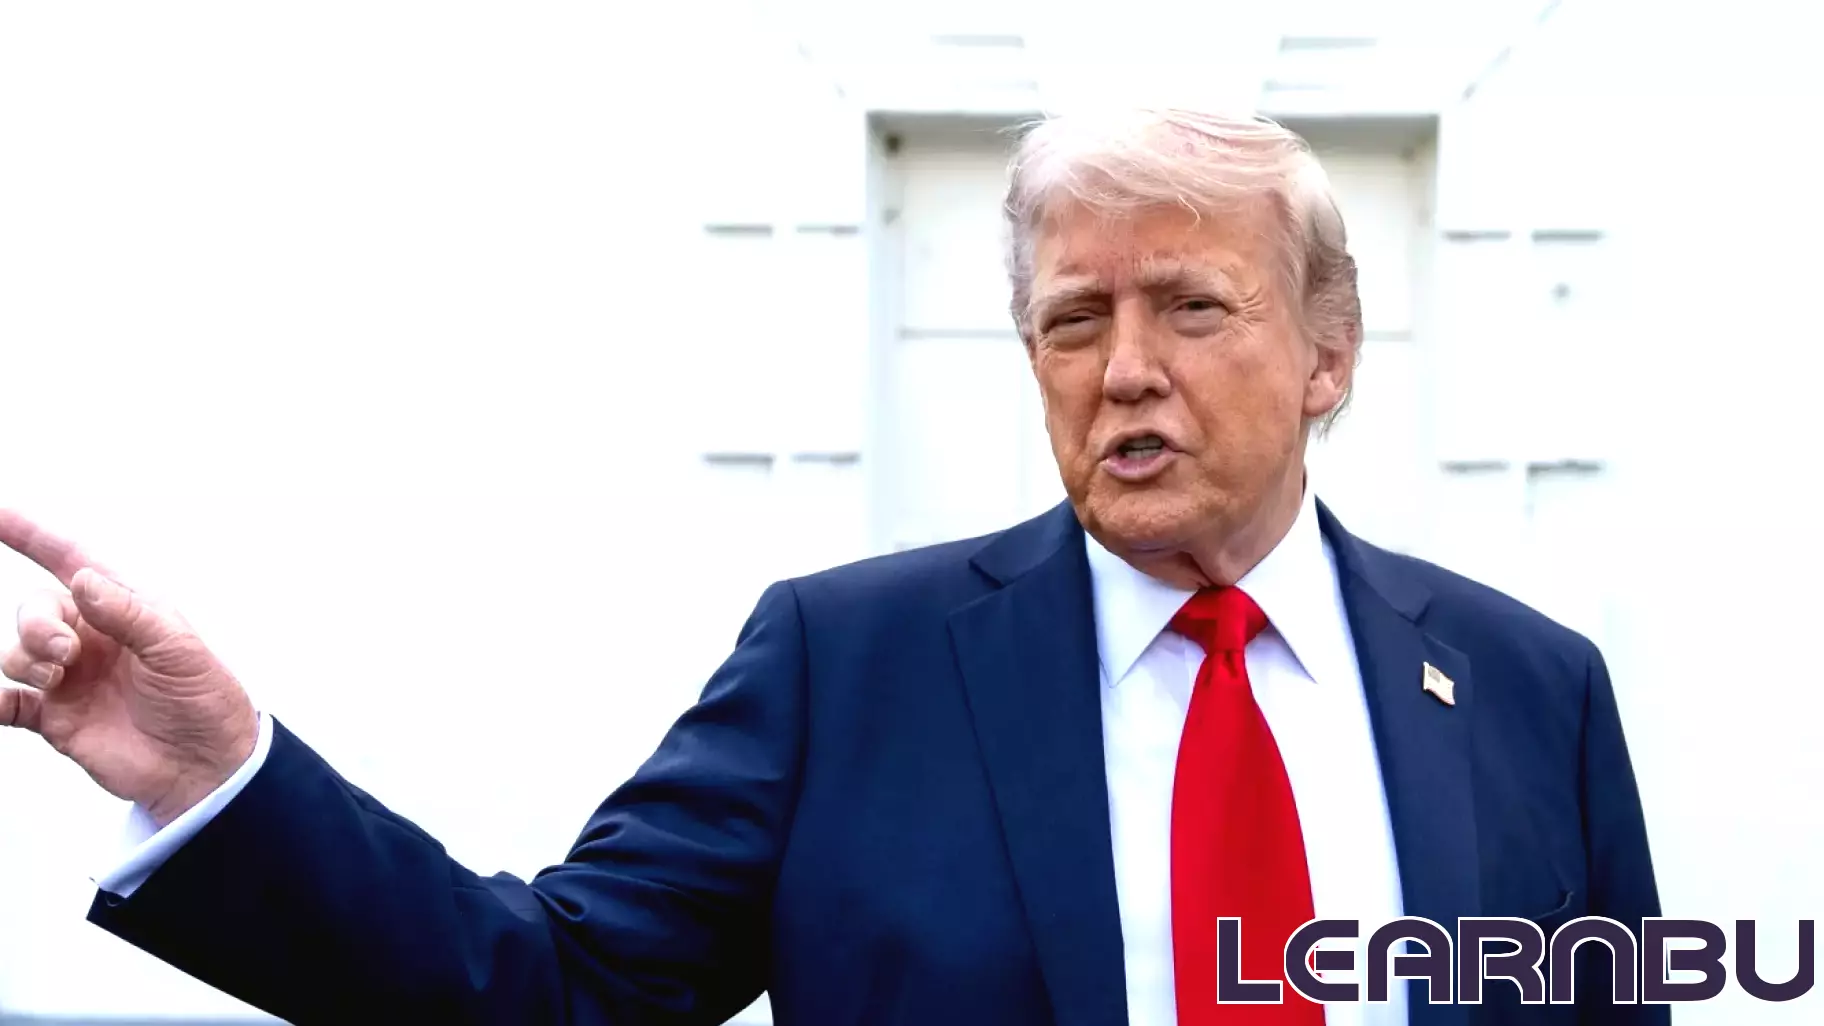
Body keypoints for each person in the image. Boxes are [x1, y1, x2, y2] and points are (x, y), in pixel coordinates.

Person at [1, 108, 1662, 1026]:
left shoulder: (1530, 688)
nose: (1124, 370)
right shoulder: (848, 663)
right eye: (1072, 319)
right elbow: (555, 994)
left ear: (1328, 353)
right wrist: (224, 779)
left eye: (1191, 307)